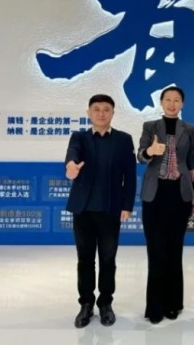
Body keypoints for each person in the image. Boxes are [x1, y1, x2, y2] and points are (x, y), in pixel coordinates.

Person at [64, 94, 137, 328]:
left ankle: (106, 303)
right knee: (85, 260)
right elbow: (72, 154)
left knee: (108, 260)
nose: (101, 113)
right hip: (83, 210)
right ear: (89, 113)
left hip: (110, 210)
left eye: (106, 109)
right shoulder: (79, 138)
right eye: (96, 109)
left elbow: (130, 176)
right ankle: (86, 304)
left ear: (113, 113)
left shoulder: (124, 140)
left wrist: (127, 205)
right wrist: (71, 166)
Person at [137, 86, 194, 324]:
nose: (172, 104)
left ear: (182, 104)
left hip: (179, 194)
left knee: (174, 250)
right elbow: (140, 156)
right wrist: (150, 151)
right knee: (156, 251)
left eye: (177, 100)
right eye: (168, 100)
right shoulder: (150, 126)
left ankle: (173, 303)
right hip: (155, 194)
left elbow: (192, 163)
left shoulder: (190, 129)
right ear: (161, 102)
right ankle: (155, 306)